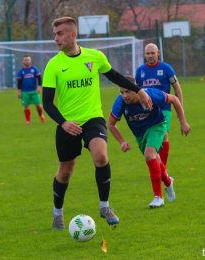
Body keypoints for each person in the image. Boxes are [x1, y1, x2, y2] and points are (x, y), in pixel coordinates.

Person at [42, 17, 153, 230]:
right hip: (68, 124)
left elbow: (116, 76)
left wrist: (139, 90)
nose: (56, 38)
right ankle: (58, 213)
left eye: (60, 34)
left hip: (93, 118)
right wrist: (64, 123)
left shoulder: (95, 57)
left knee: (101, 156)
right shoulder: (54, 65)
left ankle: (104, 206)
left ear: (73, 35)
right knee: (65, 172)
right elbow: (46, 103)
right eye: (55, 34)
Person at [108, 75, 190, 208]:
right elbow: (111, 124)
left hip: (157, 125)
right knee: (156, 161)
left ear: (137, 89)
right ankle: (168, 182)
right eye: (121, 92)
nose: (124, 95)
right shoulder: (120, 103)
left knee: (149, 155)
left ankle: (158, 197)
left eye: (128, 91)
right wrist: (122, 141)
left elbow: (174, 99)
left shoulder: (150, 94)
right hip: (140, 134)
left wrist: (183, 122)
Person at [135, 43, 183, 168]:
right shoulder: (140, 71)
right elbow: (137, 93)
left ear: (158, 53)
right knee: (150, 141)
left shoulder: (167, 68)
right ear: (144, 54)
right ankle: (159, 167)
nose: (150, 56)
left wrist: (180, 109)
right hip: (148, 111)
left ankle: (163, 168)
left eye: (153, 53)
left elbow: (177, 88)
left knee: (164, 135)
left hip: (164, 108)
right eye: (148, 53)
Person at [17, 54, 45, 124]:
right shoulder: (21, 71)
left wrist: (39, 87)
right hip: (24, 92)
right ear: (23, 61)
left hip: (34, 91)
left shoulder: (34, 69)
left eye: (28, 60)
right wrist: (19, 92)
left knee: (38, 105)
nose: (27, 61)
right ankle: (28, 121)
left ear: (30, 61)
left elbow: (39, 79)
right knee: (26, 106)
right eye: (25, 60)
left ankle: (41, 115)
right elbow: (19, 82)